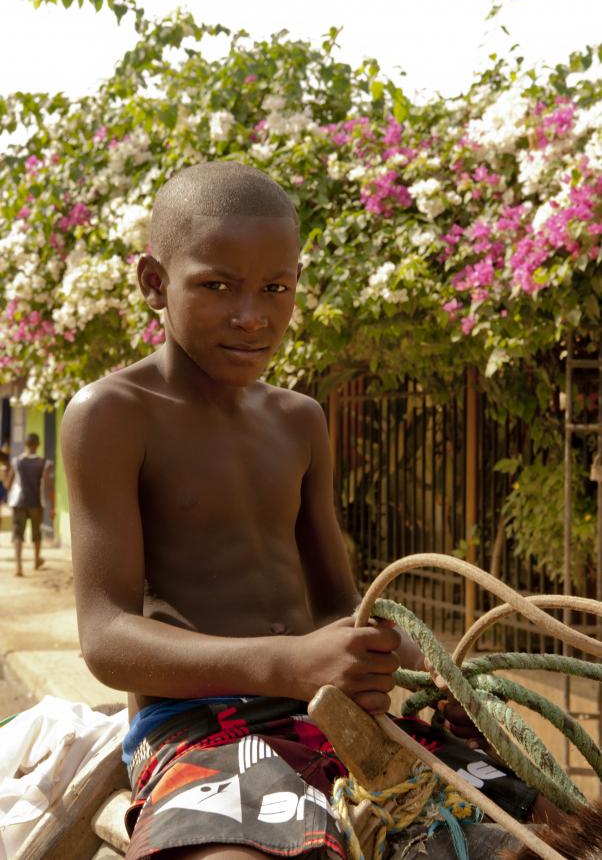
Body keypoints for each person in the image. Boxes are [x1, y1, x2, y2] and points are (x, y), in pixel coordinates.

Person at [61, 162, 552, 860]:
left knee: (542, 834)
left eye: (276, 288)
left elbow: (337, 602)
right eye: (216, 286)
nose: (252, 315)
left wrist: (428, 672)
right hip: (201, 722)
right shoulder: (110, 415)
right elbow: (106, 637)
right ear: (152, 283)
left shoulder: (301, 420)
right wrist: (290, 664)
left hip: (337, 713)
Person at [6, 432, 54, 577]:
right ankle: (36, 561)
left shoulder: (16, 461)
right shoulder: (43, 462)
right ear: (38, 445)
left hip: (18, 502)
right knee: (36, 534)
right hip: (35, 502)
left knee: (18, 534)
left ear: (26, 445)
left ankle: (18, 567)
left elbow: (8, 484)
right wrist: (53, 506)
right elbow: (49, 486)